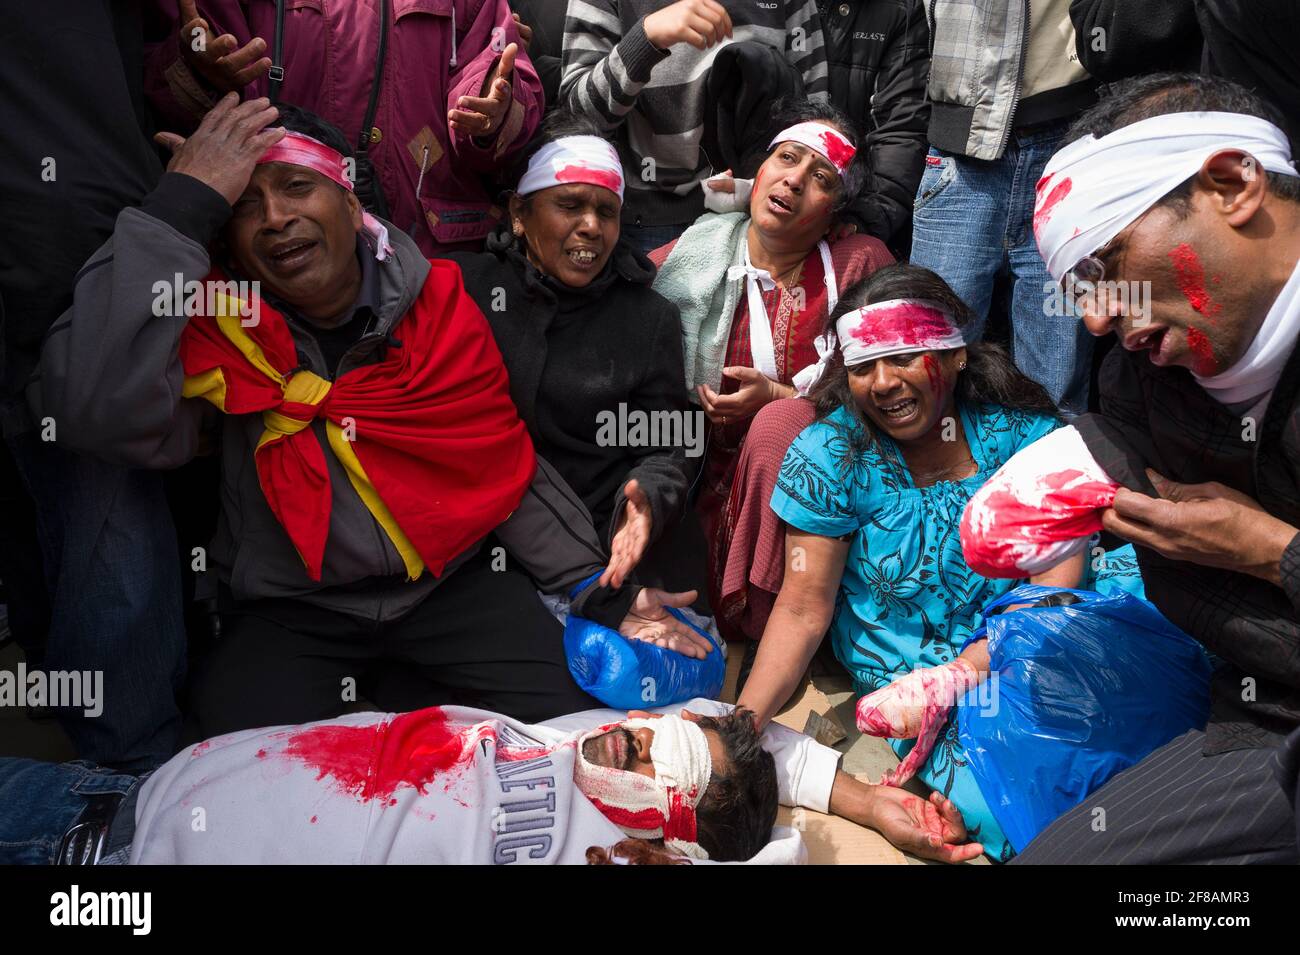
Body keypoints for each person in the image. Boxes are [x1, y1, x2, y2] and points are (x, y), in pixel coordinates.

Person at [32, 97, 712, 740]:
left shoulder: (444, 305)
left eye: (297, 188)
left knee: (579, 726)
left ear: (351, 201)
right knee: (230, 760)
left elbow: (503, 466)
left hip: (452, 588)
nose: (274, 218)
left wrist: (601, 591)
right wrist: (177, 214)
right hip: (296, 610)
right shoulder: (216, 327)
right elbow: (89, 408)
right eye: (243, 206)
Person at [1009, 72, 1300, 864]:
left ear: (1232, 185)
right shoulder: (1137, 385)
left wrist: (1272, 552)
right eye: (1078, 293)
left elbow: (1248, 569)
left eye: (1107, 265)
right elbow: (1201, 601)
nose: (1099, 319)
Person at [733, 265, 1092, 860]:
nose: (882, 382)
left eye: (904, 357)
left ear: (955, 358)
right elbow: (801, 607)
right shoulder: (830, 456)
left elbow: (1056, 584)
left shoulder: (1022, 437)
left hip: (1036, 636)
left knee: (1129, 728)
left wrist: (975, 665)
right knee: (1021, 803)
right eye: (862, 367)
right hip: (919, 680)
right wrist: (743, 724)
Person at [0, 698, 984, 865]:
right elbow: (747, 730)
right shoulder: (580, 736)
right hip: (123, 791)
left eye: (646, 762)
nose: (622, 745)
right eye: (647, 733)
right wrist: (868, 799)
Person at [0, 1, 186, 771]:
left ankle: (127, 785)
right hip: (78, 231)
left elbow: (159, 33)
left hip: (82, 243)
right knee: (65, 530)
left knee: (102, 526)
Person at [650, 101, 893, 639]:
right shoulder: (696, 255)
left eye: (821, 177)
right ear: (759, 172)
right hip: (699, 475)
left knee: (777, 427)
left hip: (821, 484)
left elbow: (891, 382)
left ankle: (773, 622)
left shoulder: (859, 262)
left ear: (836, 210)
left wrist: (782, 396)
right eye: (786, 159)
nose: (794, 180)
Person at [448, 113, 694, 593]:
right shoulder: (463, 288)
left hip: (600, 543)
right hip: (474, 548)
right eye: (569, 204)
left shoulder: (648, 317)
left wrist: (646, 499)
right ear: (519, 214)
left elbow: (669, 441)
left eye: (607, 212)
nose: (591, 227)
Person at [145, 0, 543, 254]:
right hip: (275, 248)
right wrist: (203, 71)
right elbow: (164, 74)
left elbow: (498, 64)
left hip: (429, 247)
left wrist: (494, 111)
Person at [909, 0, 1098, 415]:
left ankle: (1046, 479)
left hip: (1075, 143)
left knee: (1055, 394)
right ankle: (923, 479)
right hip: (964, 145)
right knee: (924, 363)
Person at [559, 0, 830, 255]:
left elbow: (814, 122)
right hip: (644, 220)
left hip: (759, 221)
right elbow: (579, 117)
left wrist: (758, 187)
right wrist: (647, 38)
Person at [815, 0, 930, 255]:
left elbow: (901, 130)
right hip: (747, 195)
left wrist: (863, 219)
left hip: (851, 208)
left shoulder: (904, 11)